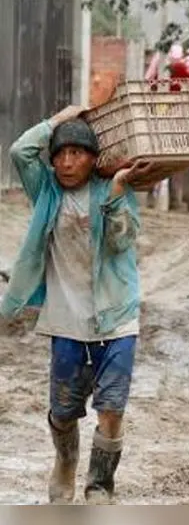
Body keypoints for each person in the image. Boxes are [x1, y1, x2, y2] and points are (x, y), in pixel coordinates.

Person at [0, 105, 152, 504]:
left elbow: (121, 241)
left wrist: (117, 195)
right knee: (64, 412)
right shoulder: (47, 190)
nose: (67, 163)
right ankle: (66, 461)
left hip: (116, 318)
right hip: (66, 319)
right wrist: (59, 118)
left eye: (77, 154)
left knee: (112, 408)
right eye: (60, 155)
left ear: (92, 159)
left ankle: (99, 484)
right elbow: (19, 151)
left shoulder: (113, 188)